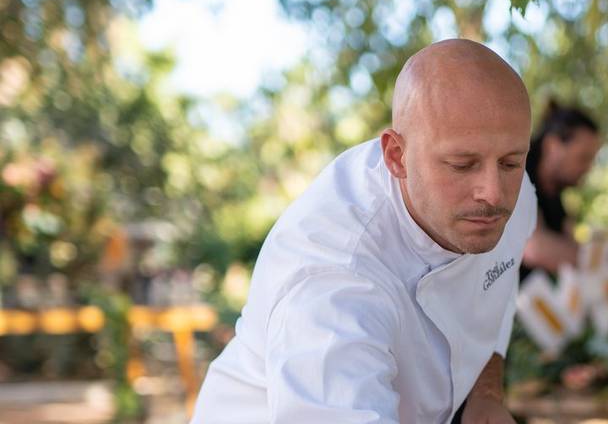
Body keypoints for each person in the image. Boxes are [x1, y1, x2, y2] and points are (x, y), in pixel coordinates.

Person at [191, 39, 537, 424]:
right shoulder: (334, 285)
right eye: (461, 164)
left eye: (510, 162)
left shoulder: (514, 201)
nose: (492, 193)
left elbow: (496, 295)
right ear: (396, 156)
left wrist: (486, 392)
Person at [520, 102, 601, 278]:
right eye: (583, 157)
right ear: (552, 145)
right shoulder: (518, 174)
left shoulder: (555, 193)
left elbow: (568, 242)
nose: (588, 168)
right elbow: (534, 248)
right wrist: (600, 261)